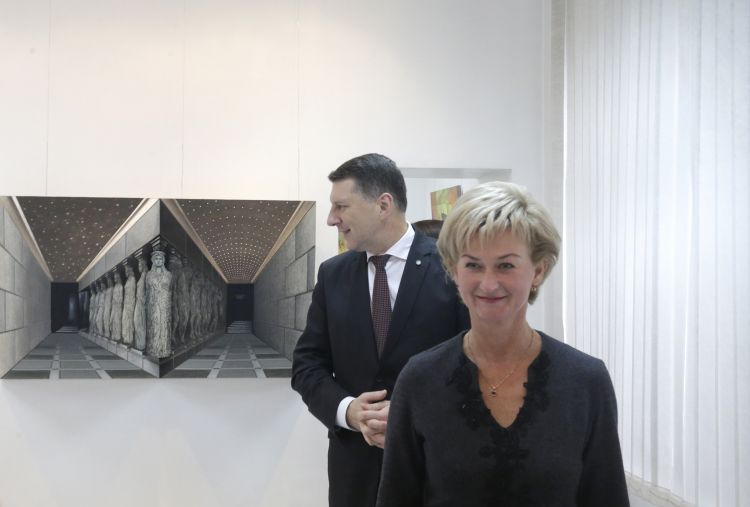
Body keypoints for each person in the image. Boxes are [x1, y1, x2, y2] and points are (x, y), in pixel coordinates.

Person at [376, 181, 629, 506]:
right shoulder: (420, 379)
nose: (489, 283)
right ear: (454, 271)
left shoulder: (585, 380)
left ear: (538, 271)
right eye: (473, 265)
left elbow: (607, 496)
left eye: (506, 265)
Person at [291, 153, 468, 507]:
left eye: (341, 206)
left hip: (433, 471)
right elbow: (307, 366)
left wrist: (412, 417)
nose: (331, 218)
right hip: (354, 476)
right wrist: (348, 411)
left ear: (383, 205)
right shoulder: (333, 275)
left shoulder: (453, 269)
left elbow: (474, 369)